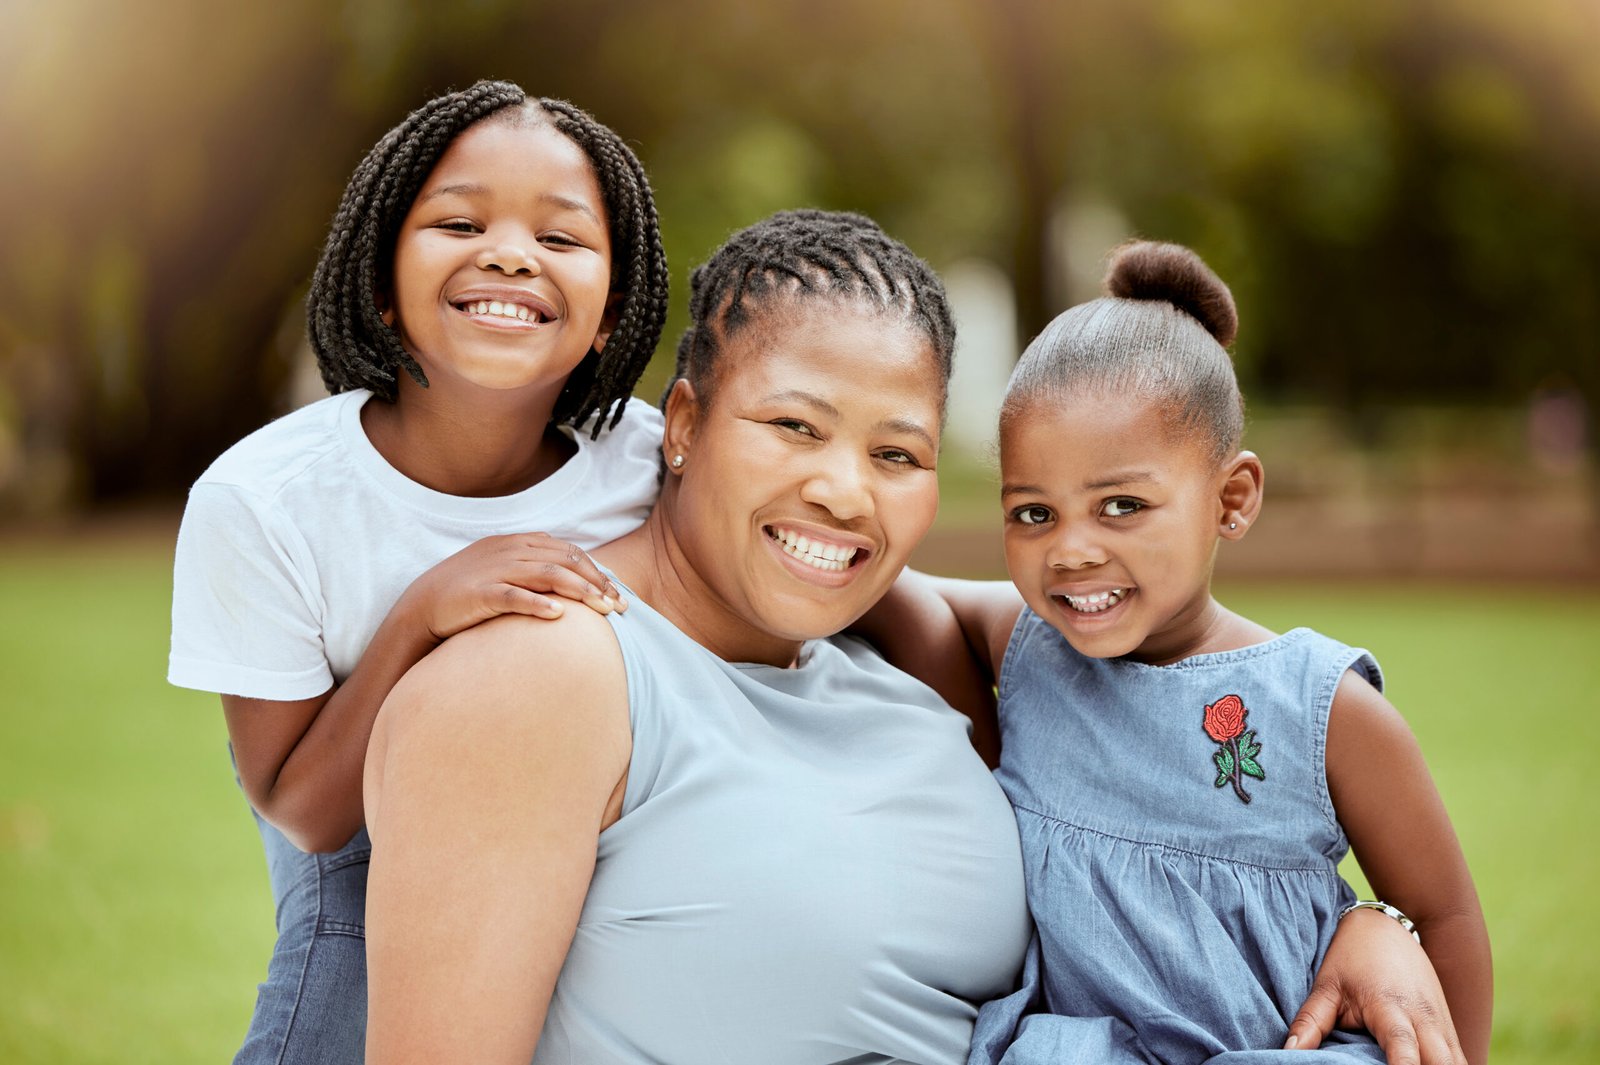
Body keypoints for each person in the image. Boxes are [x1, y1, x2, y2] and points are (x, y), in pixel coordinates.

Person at [360, 214, 1473, 1065]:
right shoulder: (547, 675)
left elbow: (1168, 682)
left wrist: (1376, 921)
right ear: (685, 426)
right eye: (793, 425)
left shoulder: (904, 664)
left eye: (897, 455)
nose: (844, 492)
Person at [167, 80, 670, 1064]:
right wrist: (421, 616)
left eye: (562, 239)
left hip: (609, 875)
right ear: (379, 279)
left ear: (613, 309)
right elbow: (306, 814)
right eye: (459, 221)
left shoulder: (655, 472)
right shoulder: (267, 500)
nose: (511, 253)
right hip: (362, 893)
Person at [956, 241, 1493, 1063]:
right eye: (1033, 514)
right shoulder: (1023, 643)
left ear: (1231, 500)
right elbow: (891, 588)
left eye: (1122, 505)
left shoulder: (1321, 705)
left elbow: (1444, 914)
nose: (1069, 551)